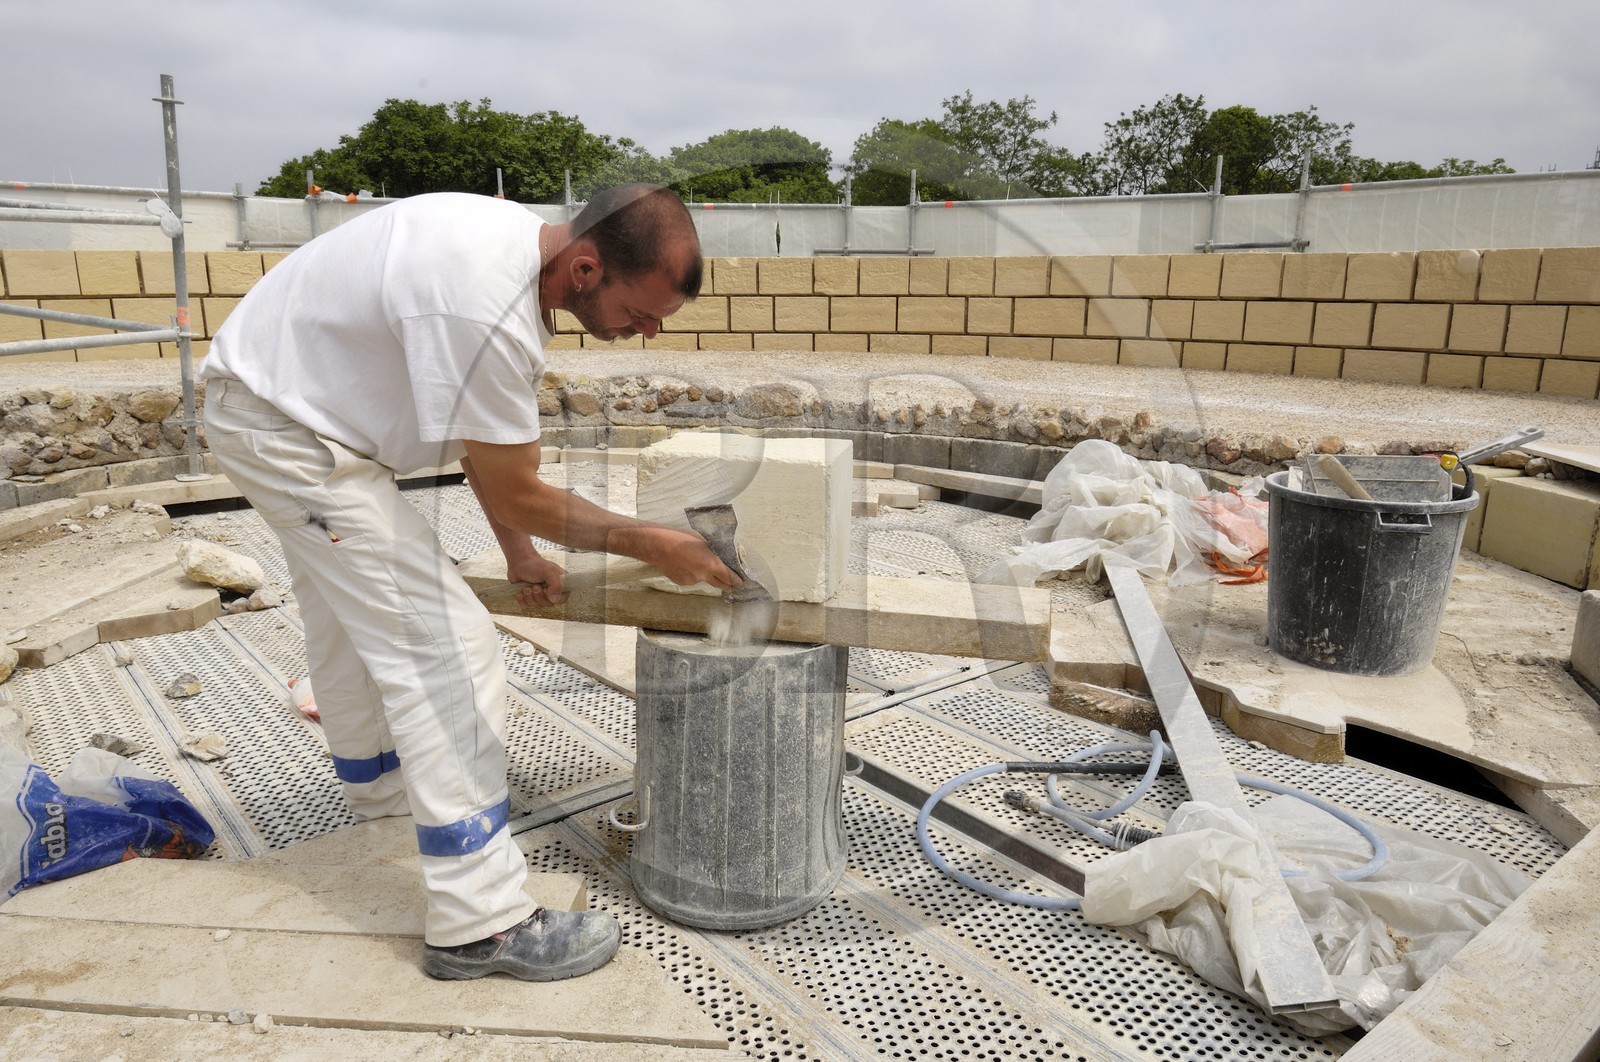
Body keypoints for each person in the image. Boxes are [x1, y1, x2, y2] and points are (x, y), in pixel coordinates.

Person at [199, 184, 738, 982]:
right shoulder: (482, 308)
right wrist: (654, 543)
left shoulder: (512, 249)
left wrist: (519, 554)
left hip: (284, 412)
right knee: (450, 653)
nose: (648, 332)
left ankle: (383, 804)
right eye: (643, 310)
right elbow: (518, 484)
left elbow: (480, 450)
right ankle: (478, 920)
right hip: (294, 435)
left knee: (352, 623)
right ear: (586, 266)